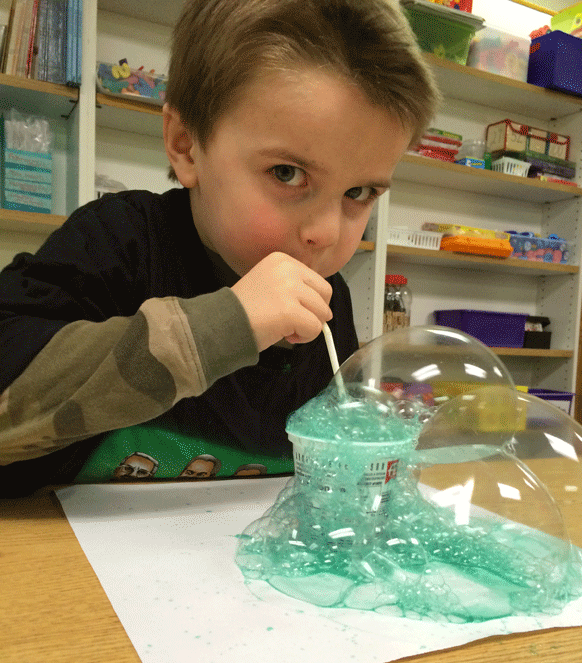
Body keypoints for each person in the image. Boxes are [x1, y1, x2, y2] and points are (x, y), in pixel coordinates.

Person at [0, 0, 439, 497]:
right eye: (287, 173)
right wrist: (226, 327)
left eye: (359, 193)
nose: (327, 233)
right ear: (186, 145)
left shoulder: (329, 300)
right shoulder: (118, 239)